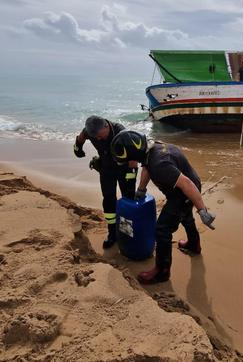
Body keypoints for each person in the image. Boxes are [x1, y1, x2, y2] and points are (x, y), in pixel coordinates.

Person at [110, 130, 216, 284]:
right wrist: (141, 189)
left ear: (134, 153)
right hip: (189, 184)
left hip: (184, 193)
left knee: (162, 230)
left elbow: (186, 184)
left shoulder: (159, 164)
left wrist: (202, 210)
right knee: (185, 216)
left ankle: (162, 272)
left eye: (128, 160)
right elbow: (146, 167)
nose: (129, 163)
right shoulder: (153, 148)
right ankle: (194, 245)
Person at [73, 116, 137, 249]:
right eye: (94, 137)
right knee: (108, 200)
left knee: (128, 200)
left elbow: (133, 157)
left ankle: (127, 231)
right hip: (106, 168)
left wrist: (131, 176)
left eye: (100, 136)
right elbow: (81, 137)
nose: (98, 139)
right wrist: (78, 147)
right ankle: (112, 233)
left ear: (106, 127)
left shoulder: (122, 133)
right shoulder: (90, 131)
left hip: (124, 168)